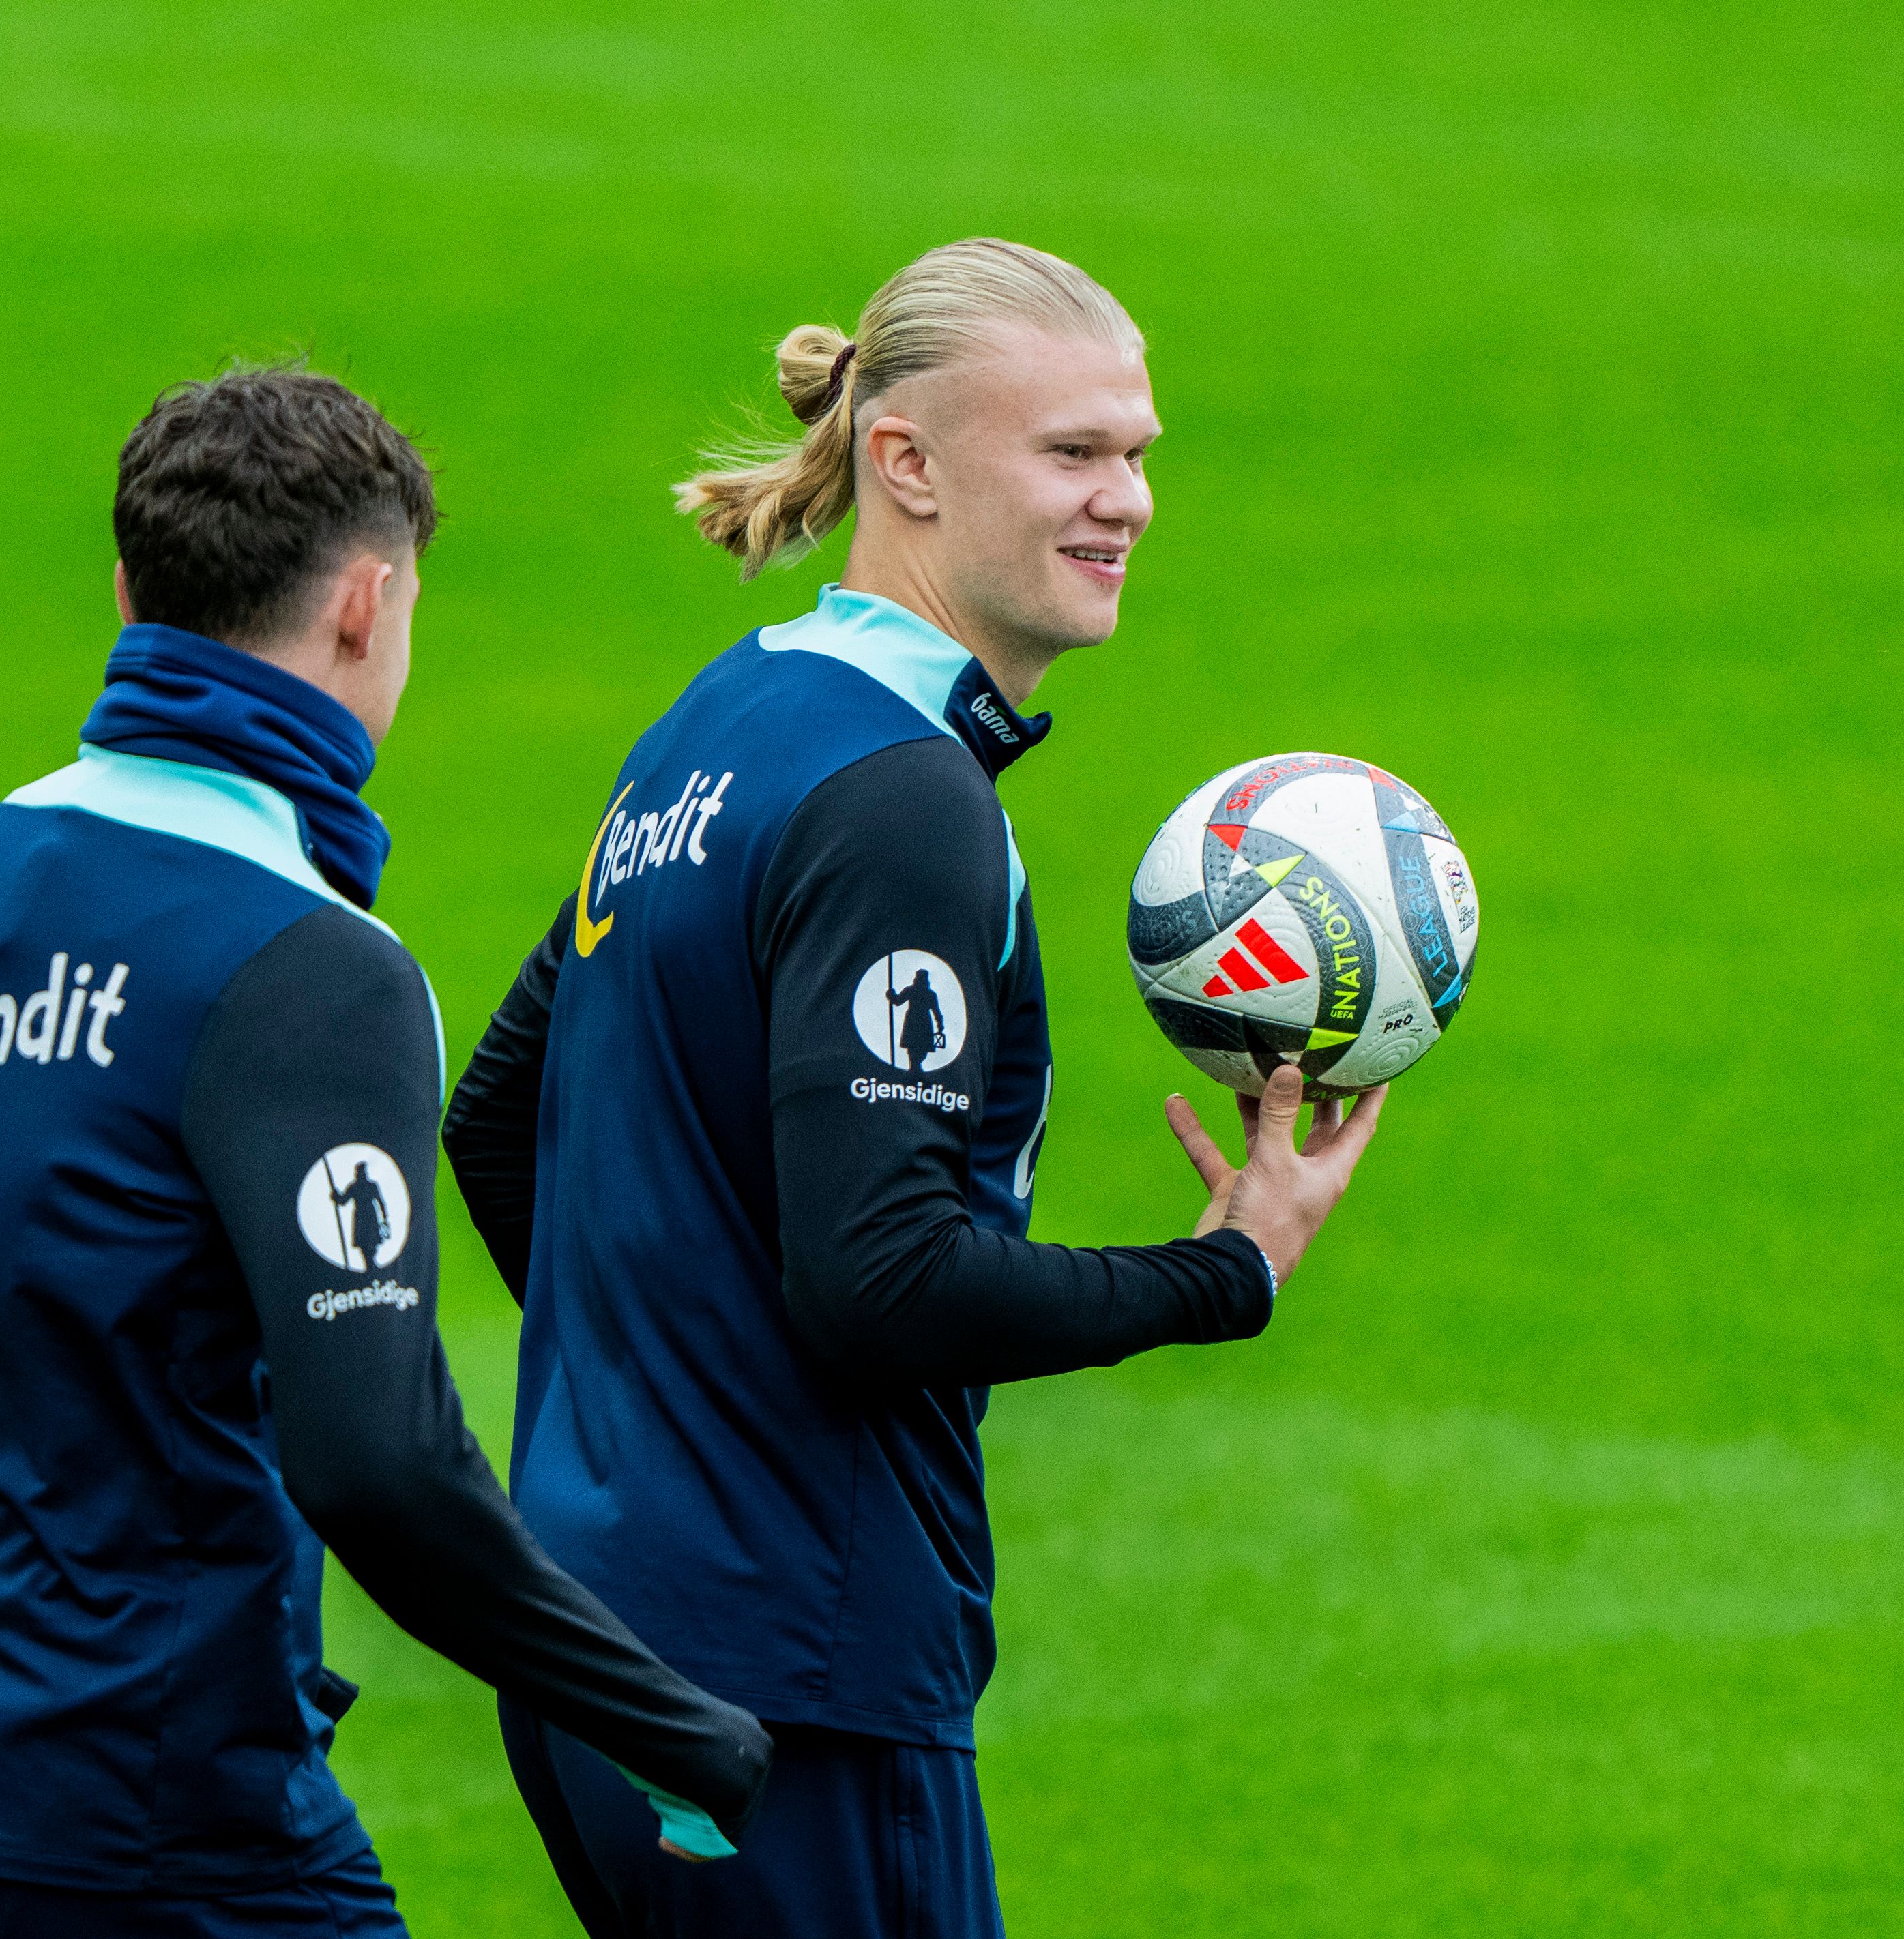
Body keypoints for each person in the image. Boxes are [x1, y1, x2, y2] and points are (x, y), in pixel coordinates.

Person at [0, 366, 772, 1939]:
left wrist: (16, 1605)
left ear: (129, 591)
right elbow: (380, 1461)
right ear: (365, 604)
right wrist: (674, 1727)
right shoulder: (308, 968)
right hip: (170, 1842)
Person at [441, 239, 1386, 1938]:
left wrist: (664, 1425)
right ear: (908, 463)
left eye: (1138, 453)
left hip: (608, 1646)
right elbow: (880, 1282)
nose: (1126, 501)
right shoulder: (902, 800)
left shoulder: (723, 721)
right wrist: (1225, 1271)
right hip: (792, 1687)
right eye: (1073, 453)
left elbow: (500, 1114)